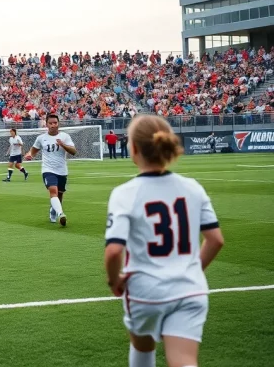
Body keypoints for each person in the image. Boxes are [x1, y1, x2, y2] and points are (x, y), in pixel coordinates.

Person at [104, 115, 224, 367]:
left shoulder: (124, 193)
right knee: (184, 361)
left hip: (146, 291)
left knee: (143, 348)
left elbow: (114, 252)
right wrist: (189, 270)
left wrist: (115, 281)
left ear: (133, 149)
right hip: (191, 289)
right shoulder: (193, 187)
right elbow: (215, 240)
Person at [26, 114, 76, 226]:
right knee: (53, 190)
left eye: (55, 123)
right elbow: (33, 150)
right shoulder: (41, 138)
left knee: (60, 194)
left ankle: (53, 211)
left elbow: (73, 151)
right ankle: (61, 214)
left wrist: (62, 144)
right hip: (48, 169)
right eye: (51, 123)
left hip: (62, 170)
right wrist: (29, 155)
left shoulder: (65, 136)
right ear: (47, 124)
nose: (53, 125)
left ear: (58, 124)